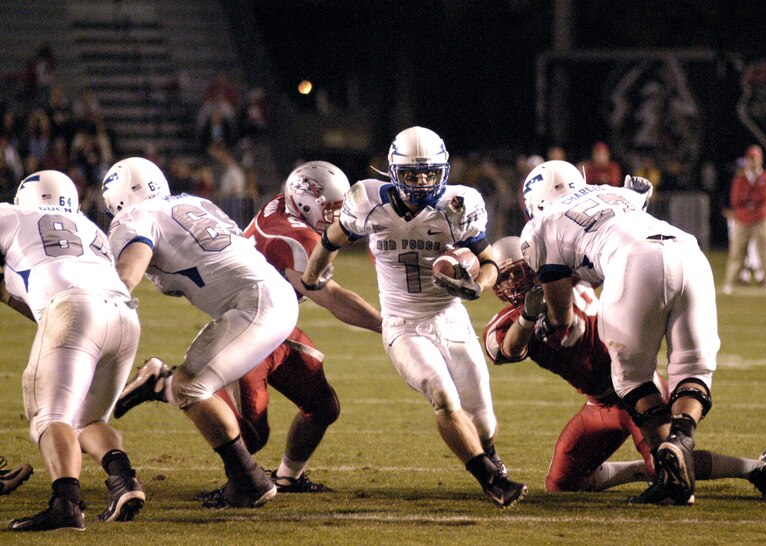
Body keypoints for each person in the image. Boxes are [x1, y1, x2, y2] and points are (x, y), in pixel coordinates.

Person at [301, 127, 528, 508]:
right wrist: (311, 278)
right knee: (442, 395)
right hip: (403, 325)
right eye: (411, 174)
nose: (421, 182)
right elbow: (331, 240)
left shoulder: (458, 205)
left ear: (443, 171)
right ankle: (491, 480)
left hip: (451, 320)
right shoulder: (367, 200)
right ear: (393, 172)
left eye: (429, 173)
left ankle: (488, 454)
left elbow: (488, 260)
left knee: (484, 423)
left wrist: (479, 286)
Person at [484, 236, 766, 499]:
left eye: (520, 273)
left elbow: (615, 255)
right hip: (599, 404)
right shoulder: (510, 321)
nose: (514, 284)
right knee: (561, 482)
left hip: (636, 389)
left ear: (537, 267)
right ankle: (644, 469)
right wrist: (527, 317)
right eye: (506, 277)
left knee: (671, 467)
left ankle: (759, 470)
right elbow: (509, 349)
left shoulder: (571, 280)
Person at [103, 157, 298, 509]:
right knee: (192, 384)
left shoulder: (133, 217)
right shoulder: (195, 202)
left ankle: (249, 482)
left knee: (191, 386)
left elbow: (128, 272)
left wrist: (103, 304)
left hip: (254, 305)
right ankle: (160, 384)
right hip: (270, 295)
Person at [520, 160, 718, 505]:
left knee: (631, 379)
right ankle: (682, 439)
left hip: (633, 262)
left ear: (533, 202)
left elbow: (562, 312)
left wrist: (549, 322)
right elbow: (637, 193)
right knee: (693, 368)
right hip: (689, 251)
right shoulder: (610, 191)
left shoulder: (542, 225)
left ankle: (672, 479)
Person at [194, 161, 381, 499]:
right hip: (245, 331)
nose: (339, 218)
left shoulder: (286, 204)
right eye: (333, 209)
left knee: (322, 406)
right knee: (251, 432)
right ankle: (166, 384)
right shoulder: (297, 235)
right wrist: (386, 326)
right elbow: (333, 299)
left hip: (273, 324)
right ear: (308, 202)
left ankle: (287, 478)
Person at [0, 171, 145, 531]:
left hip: (72, 309)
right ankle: (124, 481)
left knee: (50, 417)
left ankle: (65, 504)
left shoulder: (12, 215)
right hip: (125, 316)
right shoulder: (91, 230)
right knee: (87, 420)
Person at [722, 145, 766, 295]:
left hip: (761, 220)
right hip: (743, 220)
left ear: (760, 160)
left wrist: (749, 201)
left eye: (755, 159)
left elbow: (765, 198)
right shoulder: (740, 179)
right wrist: (751, 202)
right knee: (737, 252)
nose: (752, 162)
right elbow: (736, 200)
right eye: (750, 159)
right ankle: (731, 283)